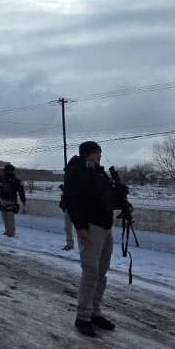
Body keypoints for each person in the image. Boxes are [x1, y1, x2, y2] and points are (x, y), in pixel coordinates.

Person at [64, 141, 118, 337]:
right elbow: (71, 200)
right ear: (87, 154)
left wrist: (120, 198)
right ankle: (83, 317)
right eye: (97, 153)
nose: (100, 156)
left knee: (101, 273)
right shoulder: (76, 171)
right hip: (90, 227)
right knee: (91, 273)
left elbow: (105, 197)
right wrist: (80, 226)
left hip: (105, 227)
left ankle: (95, 313)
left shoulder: (99, 172)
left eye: (100, 153)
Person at [0, 163, 27, 237]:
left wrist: (24, 203)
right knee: (6, 218)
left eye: (9, 170)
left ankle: (10, 233)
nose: (8, 172)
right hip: (4, 201)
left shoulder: (15, 181)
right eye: (8, 170)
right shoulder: (3, 179)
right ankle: (8, 231)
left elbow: (21, 193)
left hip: (10, 201)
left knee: (9, 218)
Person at [58, 183, 75, 251]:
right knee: (67, 228)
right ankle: (69, 244)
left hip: (75, 210)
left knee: (80, 229)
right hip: (68, 209)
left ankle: (81, 247)